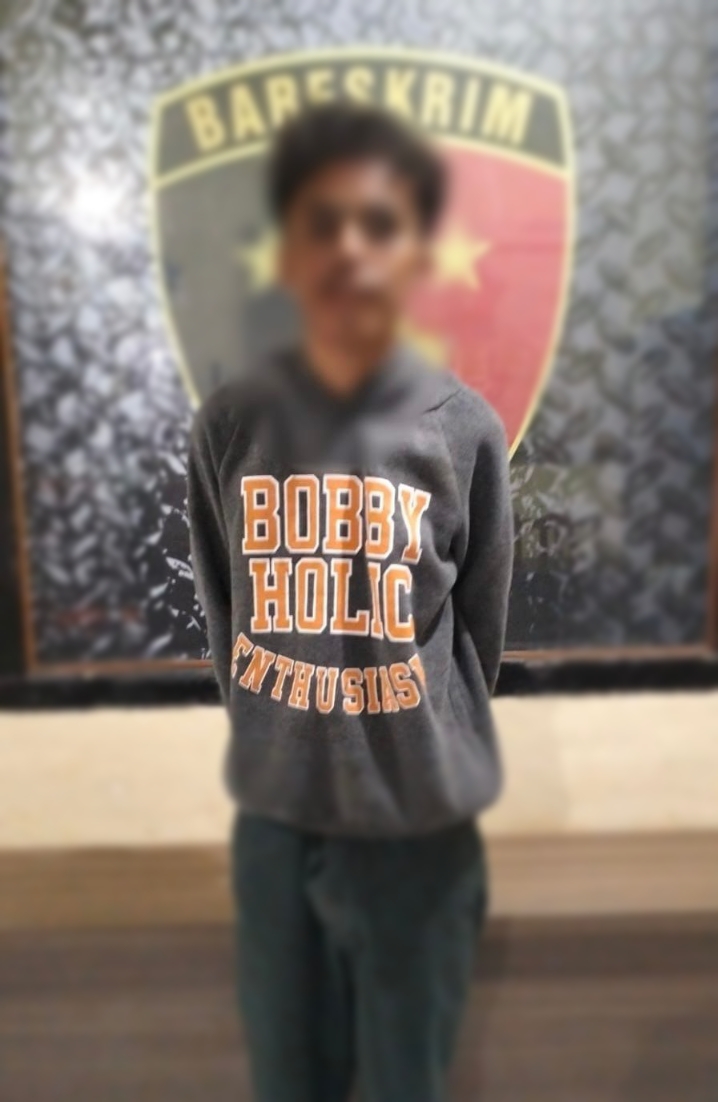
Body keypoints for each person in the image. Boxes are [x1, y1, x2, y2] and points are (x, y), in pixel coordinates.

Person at [187, 101, 514, 1102]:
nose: (350, 249)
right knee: (290, 1078)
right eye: (321, 222)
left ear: (416, 249)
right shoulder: (230, 423)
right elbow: (225, 609)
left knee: (408, 1080)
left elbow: (478, 635)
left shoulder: (463, 430)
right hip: (277, 823)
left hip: (418, 826)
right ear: (287, 249)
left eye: (379, 223)